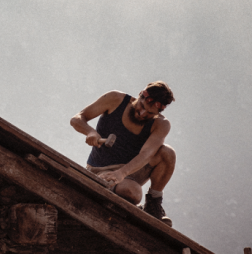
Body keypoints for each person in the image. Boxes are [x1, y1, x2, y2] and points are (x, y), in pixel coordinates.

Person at [70, 81, 176, 226]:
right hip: (101, 169)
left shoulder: (161, 124)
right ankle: (105, 182)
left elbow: (147, 154)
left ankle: (153, 204)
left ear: (158, 112)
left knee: (168, 153)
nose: (143, 113)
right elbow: (77, 118)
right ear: (140, 95)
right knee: (133, 193)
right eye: (142, 106)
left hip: (129, 171)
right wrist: (90, 131)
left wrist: (122, 173)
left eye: (150, 113)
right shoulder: (115, 99)